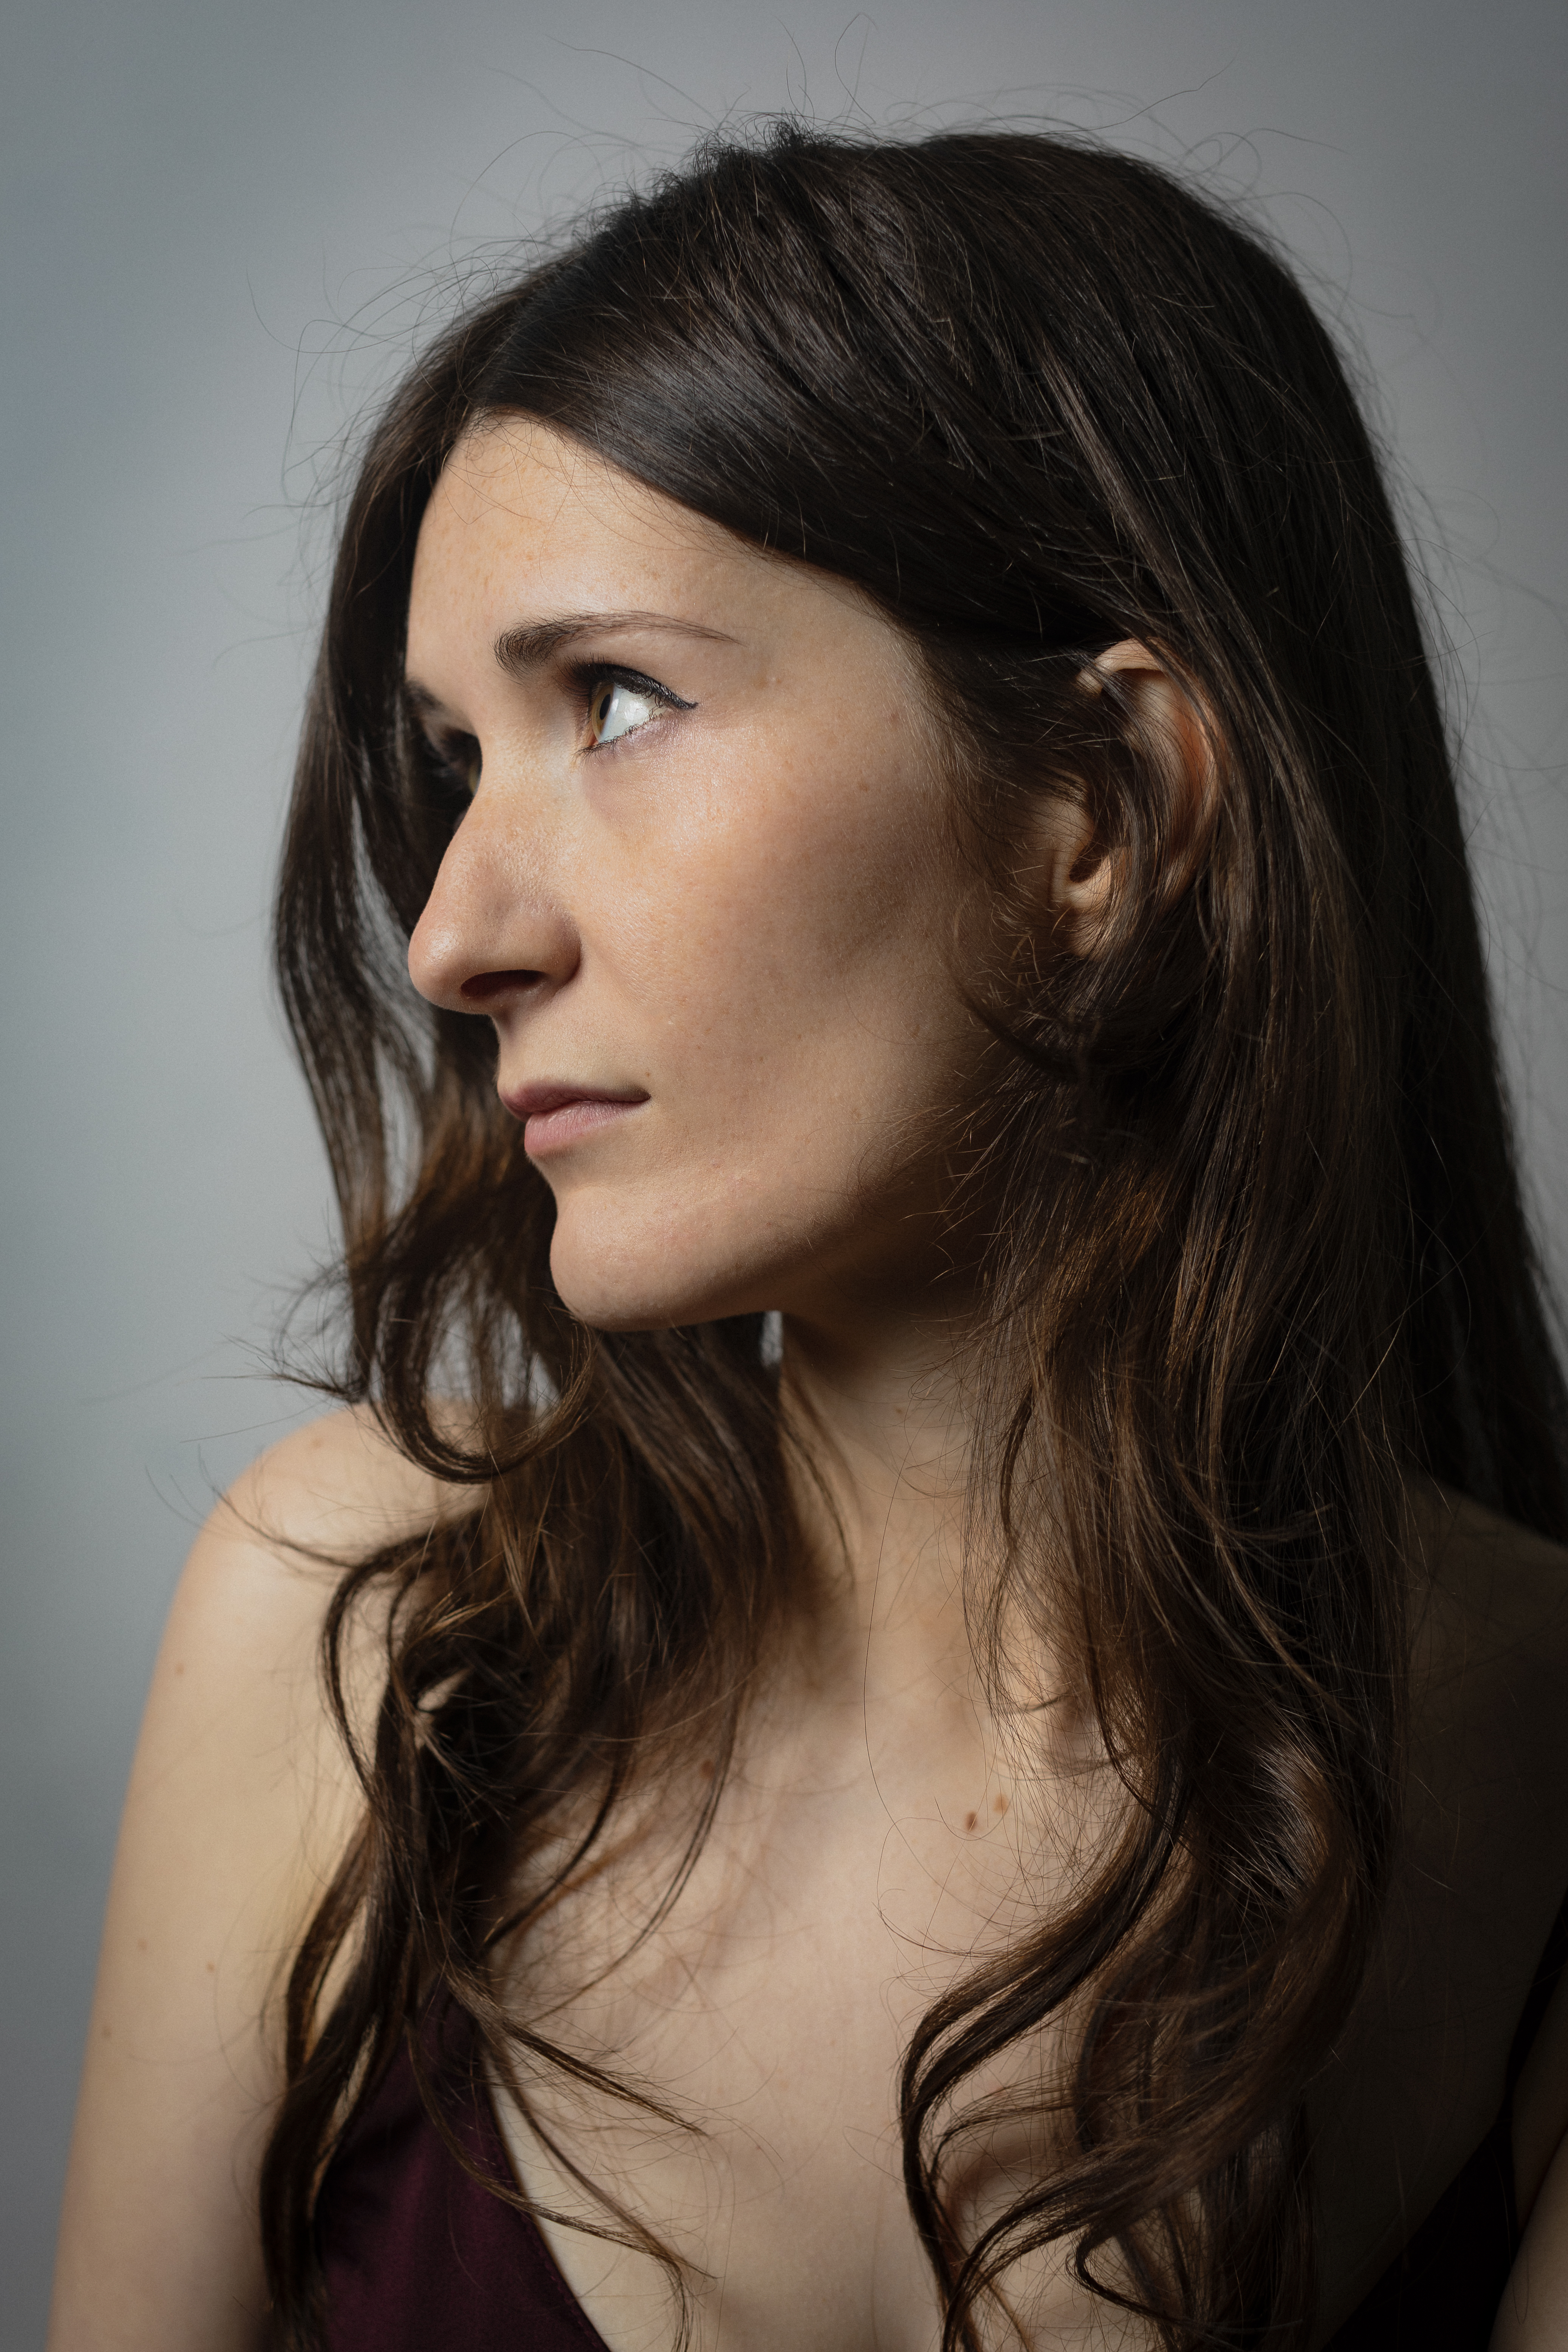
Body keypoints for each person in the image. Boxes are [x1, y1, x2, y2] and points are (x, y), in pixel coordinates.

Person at [47, 124, 1568, 2352]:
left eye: (619, 702)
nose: (457, 932)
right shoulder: (353, 1641)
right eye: (457, 757)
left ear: (1101, 807)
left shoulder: (1537, 1766)